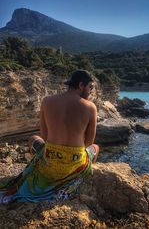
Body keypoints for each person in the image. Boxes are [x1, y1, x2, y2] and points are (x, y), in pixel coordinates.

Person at [0, 70, 99, 203]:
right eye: (90, 87)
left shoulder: (47, 101)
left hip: (49, 162)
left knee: (33, 139)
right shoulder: (90, 107)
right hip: (74, 163)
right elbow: (89, 142)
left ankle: (37, 169)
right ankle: (76, 178)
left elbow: (45, 137)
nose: (91, 92)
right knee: (95, 147)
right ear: (81, 85)